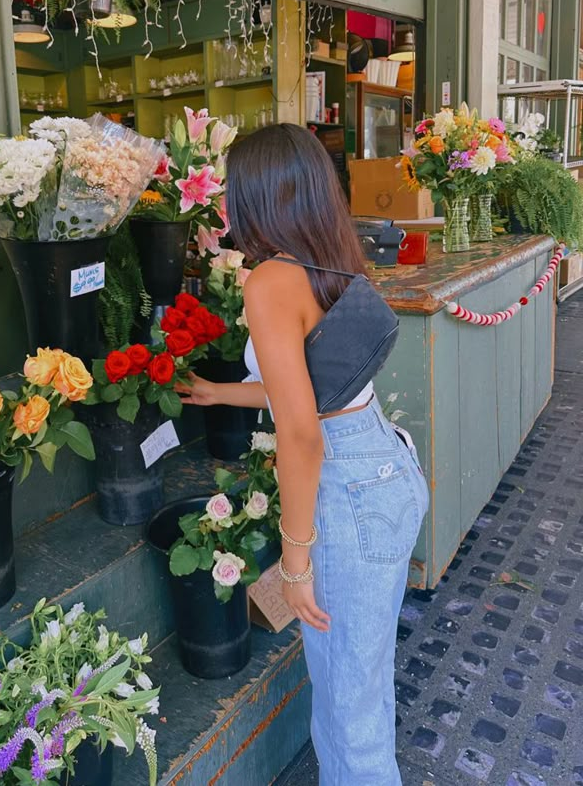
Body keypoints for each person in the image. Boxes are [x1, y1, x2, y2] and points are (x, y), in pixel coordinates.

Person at [178, 124, 429, 785]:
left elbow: (301, 433)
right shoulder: (329, 256)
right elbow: (307, 390)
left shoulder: (268, 279)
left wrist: (294, 561)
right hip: (384, 464)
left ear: (256, 195)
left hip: (348, 493)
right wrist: (218, 391)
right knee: (360, 695)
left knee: (350, 721)